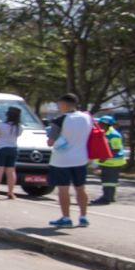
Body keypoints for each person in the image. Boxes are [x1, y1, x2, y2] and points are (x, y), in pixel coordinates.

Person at [47, 93, 93, 227]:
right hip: (81, 158)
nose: (58, 107)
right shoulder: (87, 117)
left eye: (59, 104)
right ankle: (83, 216)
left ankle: (66, 218)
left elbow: (50, 142)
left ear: (65, 104)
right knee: (80, 188)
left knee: (63, 189)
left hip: (62, 160)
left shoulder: (60, 120)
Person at [0, 106, 22, 200]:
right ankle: (10, 192)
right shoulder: (19, 127)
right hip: (13, 149)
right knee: (11, 171)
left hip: (1, 149)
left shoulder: (1, 125)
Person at [91, 114, 125, 205]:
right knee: (108, 181)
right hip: (108, 162)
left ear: (107, 125)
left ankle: (106, 198)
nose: (99, 125)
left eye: (101, 124)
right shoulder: (104, 133)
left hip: (113, 162)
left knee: (109, 181)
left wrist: (104, 158)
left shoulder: (113, 135)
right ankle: (109, 196)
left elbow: (116, 149)